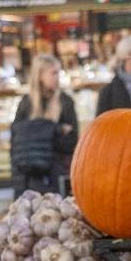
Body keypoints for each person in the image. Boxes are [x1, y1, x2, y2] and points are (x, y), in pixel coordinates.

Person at [11, 54, 79, 196]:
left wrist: (38, 134)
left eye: (58, 73)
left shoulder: (65, 102)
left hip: (57, 174)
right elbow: (16, 141)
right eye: (53, 73)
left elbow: (73, 141)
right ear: (40, 75)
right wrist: (56, 130)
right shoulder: (26, 103)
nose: (57, 77)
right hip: (29, 176)